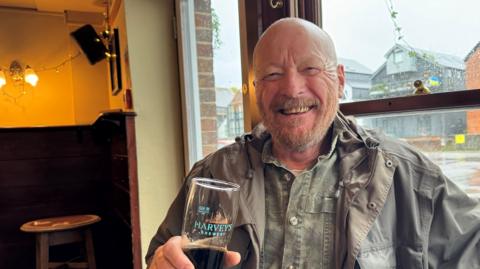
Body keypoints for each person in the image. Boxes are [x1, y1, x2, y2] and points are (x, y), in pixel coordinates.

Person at [145, 18, 480, 268]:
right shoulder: (213, 174)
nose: (292, 89)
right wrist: (162, 261)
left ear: (340, 80)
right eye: (273, 73)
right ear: (256, 87)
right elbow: (164, 253)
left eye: (310, 68)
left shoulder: (409, 177)